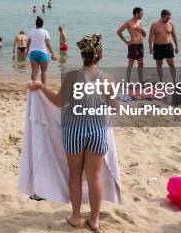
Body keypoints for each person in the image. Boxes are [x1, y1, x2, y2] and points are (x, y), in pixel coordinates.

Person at [28, 34, 118, 232]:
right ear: (99, 56)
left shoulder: (71, 76)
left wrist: (41, 86)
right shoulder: (108, 79)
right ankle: (94, 221)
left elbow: (59, 102)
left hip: (74, 131)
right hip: (97, 131)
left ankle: (76, 217)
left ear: (82, 55)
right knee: (94, 177)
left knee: (75, 175)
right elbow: (115, 109)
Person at [116, 7, 146, 83]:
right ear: (137, 14)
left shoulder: (140, 22)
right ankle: (128, 81)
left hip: (140, 45)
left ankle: (141, 81)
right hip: (133, 46)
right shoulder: (129, 22)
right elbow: (119, 31)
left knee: (141, 64)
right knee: (131, 64)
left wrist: (141, 30)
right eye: (141, 13)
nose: (142, 15)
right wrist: (126, 41)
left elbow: (144, 35)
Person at [149, 9, 179, 83]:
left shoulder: (171, 24)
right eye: (167, 18)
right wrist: (150, 48)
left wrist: (177, 46)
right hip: (157, 47)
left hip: (168, 46)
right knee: (159, 64)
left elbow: (174, 36)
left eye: (169, 18)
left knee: (171, 64)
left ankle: (174, 81)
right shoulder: (155, 24)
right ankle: (161, 81)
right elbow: (150, 37)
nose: (168, 19)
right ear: (162, 16)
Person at [26, 16, 56, 84]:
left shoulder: (31, 32)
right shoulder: (45, 32)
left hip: (33, 53)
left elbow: (28, 43)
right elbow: (48, 44)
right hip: (43, 53)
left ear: (35, 24)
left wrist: (27, 52)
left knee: (34, 71)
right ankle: (43, 88)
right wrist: (53, 54)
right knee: (44, 71)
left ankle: (34, 87)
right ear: (42, 24)